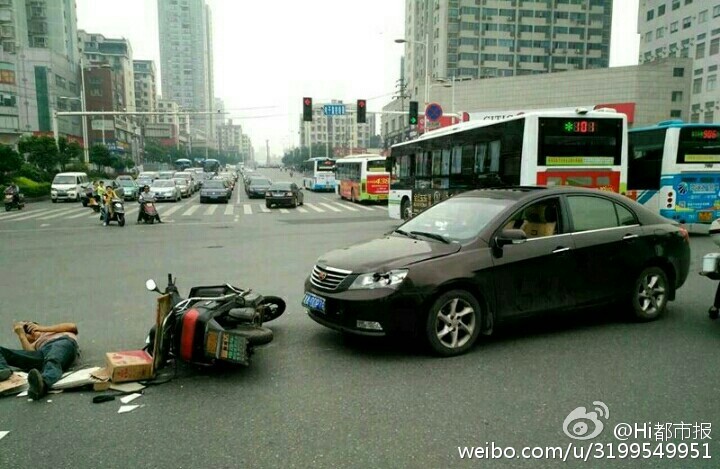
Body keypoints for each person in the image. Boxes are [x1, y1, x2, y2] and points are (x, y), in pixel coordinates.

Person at [0, 321, 79, 400]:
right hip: (42, 353)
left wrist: (41, 329)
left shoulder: (55, 332)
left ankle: (43, 383)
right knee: (48, 359)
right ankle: (2, 370)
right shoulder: (34, 344)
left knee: (52, 360)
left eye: (28, 327)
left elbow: (72, 326)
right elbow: (30, 357)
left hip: (61, 344)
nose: (30, 332)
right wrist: (21, 335)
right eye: (26, 332)